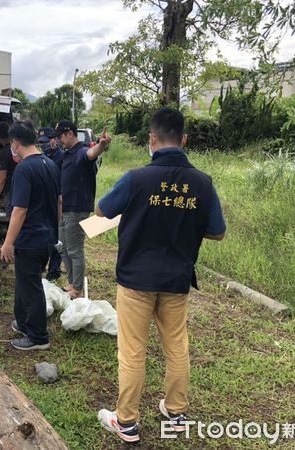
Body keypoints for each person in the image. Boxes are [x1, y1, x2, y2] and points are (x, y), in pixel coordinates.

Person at [95, 108, 226, 444]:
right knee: (176, 346)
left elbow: (101, 211)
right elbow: (217, 232)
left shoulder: (136, 178)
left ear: (152, 139)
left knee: (133, 352)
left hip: (135, 279)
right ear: (183, 139)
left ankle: (126, 421)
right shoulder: (202, 183)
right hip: (176, 279)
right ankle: (176, 412)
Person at [0, 120, 61, 351]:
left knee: (31, 284)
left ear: (15, 143)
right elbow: (59, 202)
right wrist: (55, 229)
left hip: (30, 238)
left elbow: (20, 210)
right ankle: (23, 322)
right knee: (25, 281)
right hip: (46, 236)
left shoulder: (25, 168)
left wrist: (8, 243)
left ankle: (38, 337)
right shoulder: (50, 164)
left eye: (11, 144)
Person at [55, 119, 111, 298]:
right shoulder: (67, 154)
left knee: (74, 250)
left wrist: (101, 145)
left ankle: (78, 289)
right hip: (64, 209)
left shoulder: (81, 152)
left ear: (70, 134)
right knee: (63, 248)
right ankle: (72, 282)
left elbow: (92, 153)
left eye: (61, 137)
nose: (58, 141)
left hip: (76, 210)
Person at [38, 127, 65, 281]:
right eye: (41, 142)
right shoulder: (40, 155)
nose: (43, 145)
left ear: (54, 139)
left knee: (55, 237)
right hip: (42, 200)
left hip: (57, 200)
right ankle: (42, 267)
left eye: (46, 141)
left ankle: (54, 270)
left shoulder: (62, 157)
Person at [0, 122, 18, 214]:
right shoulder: (18, 149)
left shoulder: (3, 153)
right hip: (20, 189)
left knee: (12, 217)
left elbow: (2, 177)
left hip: (10, 192)